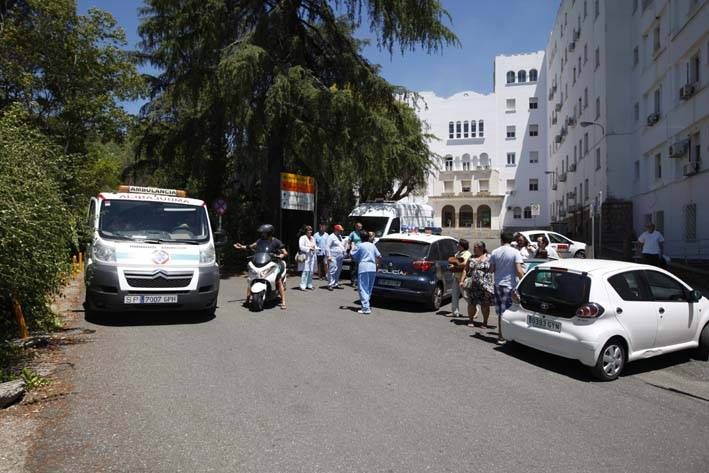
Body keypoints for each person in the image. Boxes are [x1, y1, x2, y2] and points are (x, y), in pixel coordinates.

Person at [234, 224, 288, 310]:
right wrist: (241, 247)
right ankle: (248, 299)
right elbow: (250, 247)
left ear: (269, 233)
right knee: (251, 278)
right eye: (262, 233)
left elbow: (285, 252)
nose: (262, 234)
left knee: (278, 280)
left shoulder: (276, 241)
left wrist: (281, 255)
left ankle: (283, 301)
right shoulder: (260, 241)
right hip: (262, 262)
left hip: (273, 262)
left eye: (264, 233)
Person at [489, 231, 525, 344]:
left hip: (497, 284)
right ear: (511, 241)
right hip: (509, 285)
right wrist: (524, 281)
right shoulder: (515, 252)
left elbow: (491, 269)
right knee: (509, 311)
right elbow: (519, 271)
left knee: (500, 311)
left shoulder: (495, 252)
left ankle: (501, 335)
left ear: (501, 240)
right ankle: (506, 336)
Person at [462, 241, 494, 327]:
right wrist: (462, 280)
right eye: (474, 248)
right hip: (473, 285)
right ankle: (471, 320)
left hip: (485, 285)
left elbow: (495, 269)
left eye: (476, 248)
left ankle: (485, 322)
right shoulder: (471, 258)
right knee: (472, 303)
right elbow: (465, 269)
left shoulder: (489, 257)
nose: (474, 249)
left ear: (482, 248)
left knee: (485, 305)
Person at [351, 231, 381, 315]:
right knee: (369, 287)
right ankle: (366, 305)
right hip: (372, 267)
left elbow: (353, 255)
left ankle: (365, 308)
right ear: (368, 237)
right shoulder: (372, 245)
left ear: (360, 238)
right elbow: (379, 256)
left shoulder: (360, 245)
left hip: (364, 267)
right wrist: (378, 265)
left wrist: (352, 247)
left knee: (363, 287)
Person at [447, 239, 471, 317]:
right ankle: (455, 312)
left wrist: (455, 264)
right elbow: (455, 262)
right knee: (454, 296)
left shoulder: (467, 253)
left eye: (459, 245)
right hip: (456, 276)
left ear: (463, 246)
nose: (457, 246)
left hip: (463, 278)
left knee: (465, 295)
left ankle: (474, 310)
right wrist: (453, 265)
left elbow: (465, 263)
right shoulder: (457, 253)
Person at [324, 224, 348, 290]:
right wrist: (328, 256)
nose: (341, 232)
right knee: (332, 270)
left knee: (338, 270)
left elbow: (341, 246)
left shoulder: (339, 236)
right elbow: (327, 247)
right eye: (340, 231)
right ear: (336, 230)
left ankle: (336, 283)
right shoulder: (331, 237)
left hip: (339, 256)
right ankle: (330, 284)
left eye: (341, 231)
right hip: (333, 256)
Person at [298, 225, 318, 291]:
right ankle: (302, 286)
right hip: (306, 256)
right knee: (305, 271)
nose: (310, 231)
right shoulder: (302, 238)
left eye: (311, 230)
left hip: (312, 256)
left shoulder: (312, 238)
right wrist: (309, 248)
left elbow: (315, 246)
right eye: (308, 230)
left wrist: (317, 249)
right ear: (306, 231)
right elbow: (301, 247)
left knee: (311, 271)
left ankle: (309, 285)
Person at [348, 222, 363, 288]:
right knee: (353, 266)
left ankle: (357, 281)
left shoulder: (361, 233)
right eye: (359, 226)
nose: (360, 228)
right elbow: (349, 241)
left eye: (361, 227)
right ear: (356, 227)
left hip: (360, 251)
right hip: (354, 251)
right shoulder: (353, 233)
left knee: (359, 267)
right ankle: (353, 281)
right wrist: (349, 250)